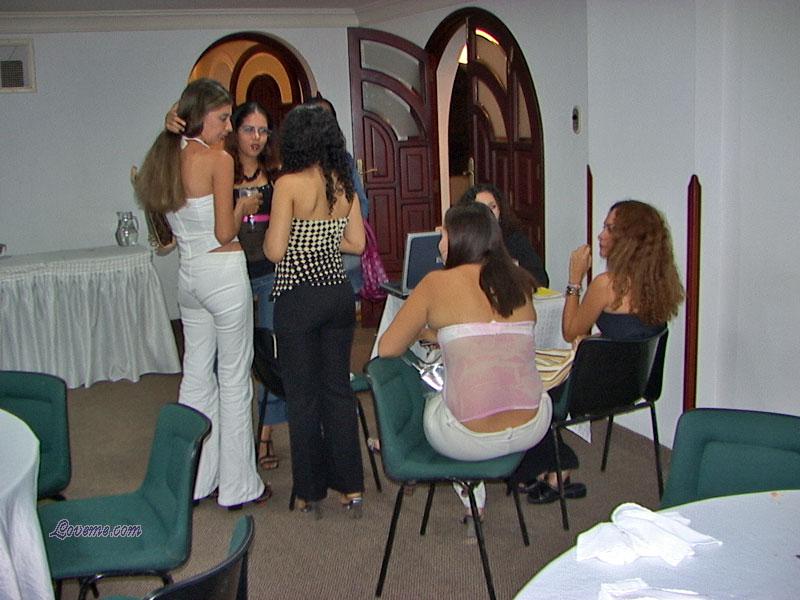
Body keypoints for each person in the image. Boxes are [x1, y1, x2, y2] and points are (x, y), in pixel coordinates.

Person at [135, 78, 270, 510]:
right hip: (222, 274)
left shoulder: (166, 157)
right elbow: (225, 232)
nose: (229, 128)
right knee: (234, 379)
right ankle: (238, 486)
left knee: (195, 376)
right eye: (223, 118)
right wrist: (243, 206)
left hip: (189, 278)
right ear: (199, 117)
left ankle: (194, 480)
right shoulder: (218, 159)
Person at [378, 202, 552, 533]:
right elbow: (491, 333)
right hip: (533, 426)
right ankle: (475, 490)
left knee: (428, 380)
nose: (439, 240)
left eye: (443, 232)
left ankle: (435, 470)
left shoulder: (435, 283)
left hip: (468, 438)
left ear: (459, 237)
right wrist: (441, 335)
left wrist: (426, 331)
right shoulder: (519, 281)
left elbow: (388, 348)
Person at [515, 199, 684, 504]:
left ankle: (558, 467)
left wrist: (574, 280)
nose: (600, 235)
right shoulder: (659, 283)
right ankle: (546, 466)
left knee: (524, 387)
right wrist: (598, 344)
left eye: (609, 229)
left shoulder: (607, 285)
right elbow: (628, 332)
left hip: (592, 392)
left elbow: (570, 331)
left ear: (628, 240)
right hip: (635, 386)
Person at [166, 101, 286, 471]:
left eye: (263, 130)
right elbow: (217, 229)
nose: (256, 137)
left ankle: (264, 435)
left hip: (268, 272)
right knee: (224, 365)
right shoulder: (219, 164)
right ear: (234, 130)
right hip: (227, 274)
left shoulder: (276, 173)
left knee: (268, 355)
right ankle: (218, 445)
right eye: (249, 129)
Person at [264, 104, 366, 518]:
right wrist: (322, 237)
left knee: (303, 397)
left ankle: (309, 491)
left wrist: (299, 238)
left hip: (299, 299)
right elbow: (357, 243)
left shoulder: (288, 184)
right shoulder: (343, 182)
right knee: (337, 391)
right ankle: (351, 486)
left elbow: (274, 251)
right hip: (337, 295)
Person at [303, 94, 370, 297]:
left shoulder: (344, 160)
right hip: (308, 265)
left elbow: (362, 205)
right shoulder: (296, 164)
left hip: (345, 258)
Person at [457, 183, 549, 287]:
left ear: (500, 209)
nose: (489, 213)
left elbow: (541, 278)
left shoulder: (514, 239)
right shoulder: (462, 242)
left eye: (493, 207)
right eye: (482, 208)